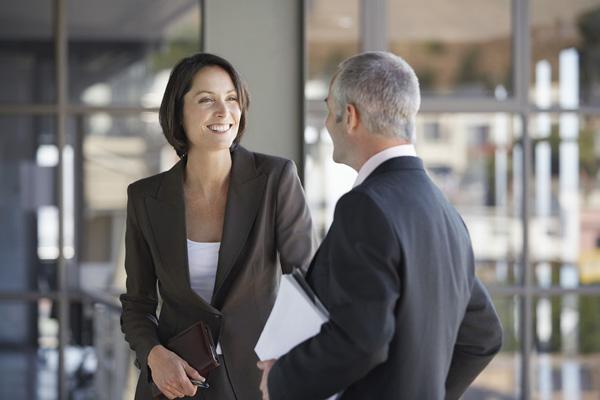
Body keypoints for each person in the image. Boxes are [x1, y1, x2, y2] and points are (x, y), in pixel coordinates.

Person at [257, 51, 503, 400]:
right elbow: (483, 334)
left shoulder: (366, 207)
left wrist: (281, 380)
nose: (328, 123)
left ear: (351, 117)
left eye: (330, 110)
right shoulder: (445, 212)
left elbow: (363, 339)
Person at [120, 53, 315, 400]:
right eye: (206, 100)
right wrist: (155, 356)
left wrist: (287, 362)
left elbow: (305, 285)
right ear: (178, 112)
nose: (224, 112)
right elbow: (138, 304)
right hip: (175, 386)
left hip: (259, 384)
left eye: (232, 99)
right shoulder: (145, 197)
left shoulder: (275, 179)